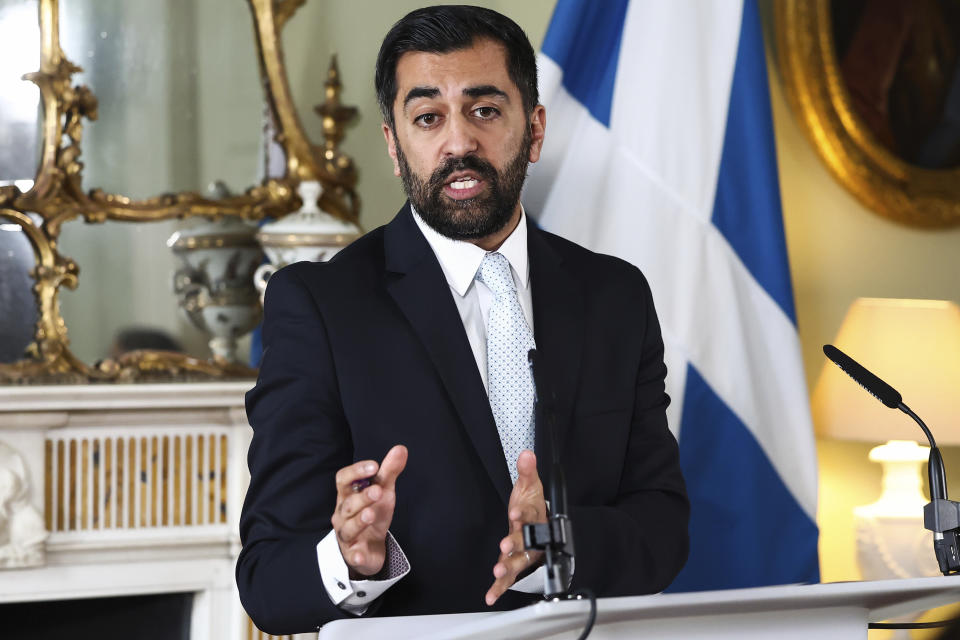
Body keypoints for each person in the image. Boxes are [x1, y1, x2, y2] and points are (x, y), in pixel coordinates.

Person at [237, 5, 689, 635]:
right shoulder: (318, 305)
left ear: (533, 130)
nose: (458, 143)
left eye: (484, 110)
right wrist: (351, 559)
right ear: (395, 146)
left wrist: (557, 542)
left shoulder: (615, 295)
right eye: (427, 117)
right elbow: (267, 581)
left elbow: (663, 526)